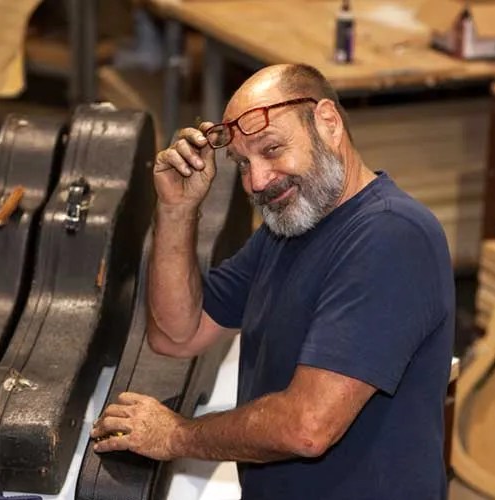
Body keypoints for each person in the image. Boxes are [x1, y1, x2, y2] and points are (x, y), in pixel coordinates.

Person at [91, 63, 455, 499]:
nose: (258, 180)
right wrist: (176, 211)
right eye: (242, 163)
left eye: (272, 149)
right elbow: (176, 334)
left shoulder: (391, 237)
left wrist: (178, 437)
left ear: (328, 123)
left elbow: (307, 426)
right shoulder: (288, 230)